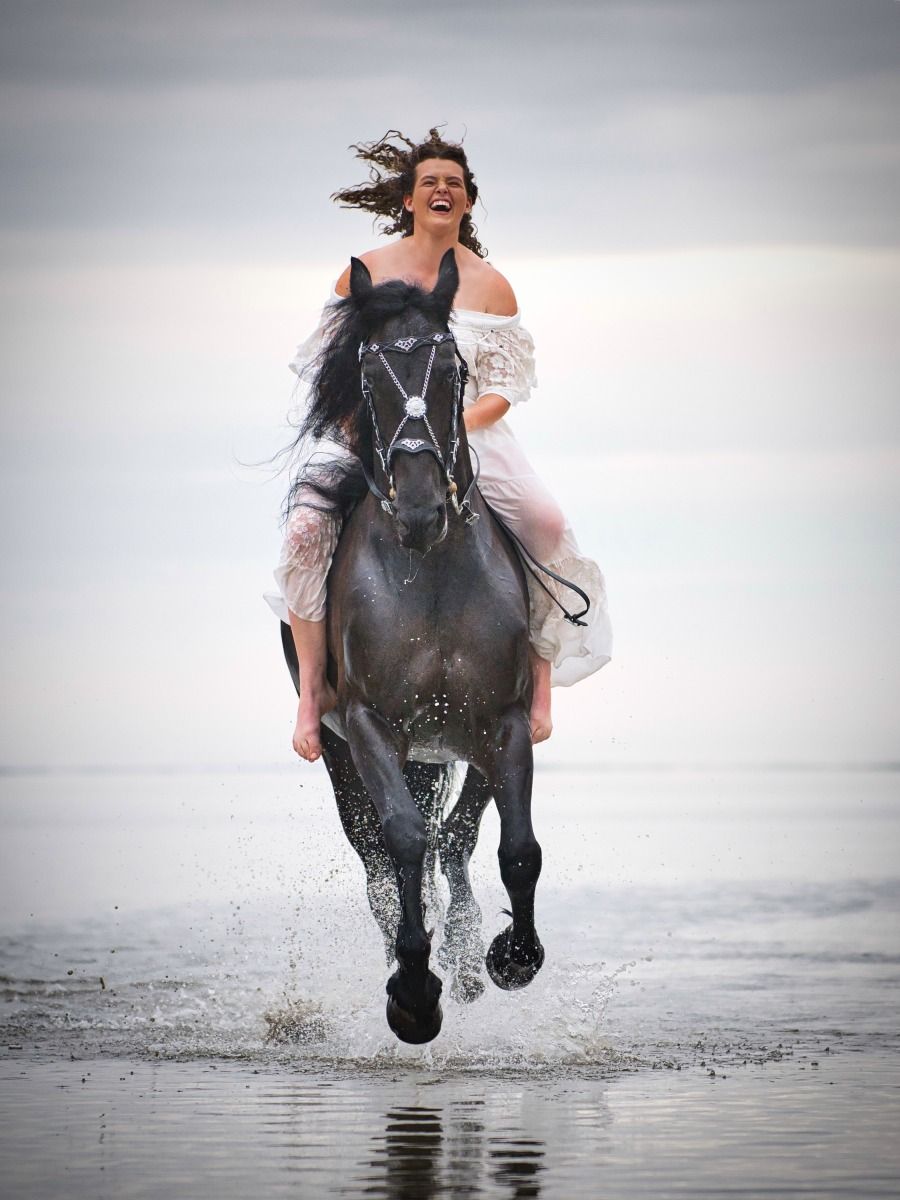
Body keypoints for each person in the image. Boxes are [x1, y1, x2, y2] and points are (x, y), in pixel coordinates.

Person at [267, 129, 612, 762]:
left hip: (468, 431)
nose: (442, 190)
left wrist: (448, 428)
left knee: (547, 522)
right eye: (430, 182)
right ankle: (312, 692)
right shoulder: (365, 273)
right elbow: (328, 372)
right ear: (408, 199)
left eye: (454, 183)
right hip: (369, 429)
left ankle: (536, 685)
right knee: (303, 532)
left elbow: (502, 388)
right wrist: (364, 427)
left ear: (468, 201)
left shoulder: (492, 286)